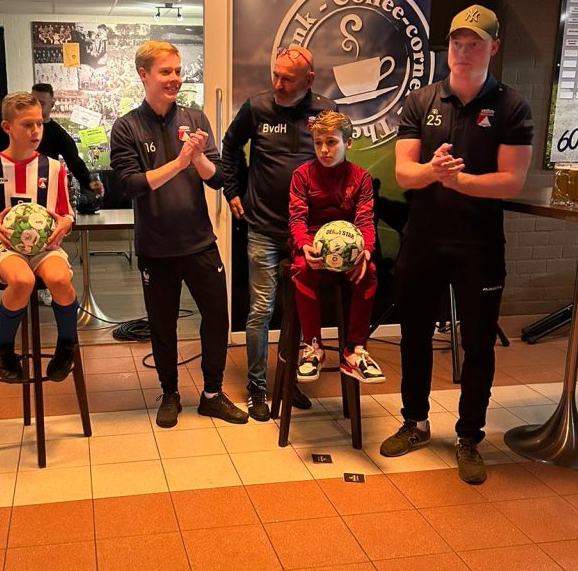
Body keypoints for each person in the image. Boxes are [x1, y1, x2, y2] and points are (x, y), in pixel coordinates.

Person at [380, 5, 533, 485]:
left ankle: (469, 437)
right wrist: (432, 171)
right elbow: (405, 173)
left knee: (478, 346)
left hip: (478, 246)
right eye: (457, 43)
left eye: (474, 44)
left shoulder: (512, 107)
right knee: (414, 336)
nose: (463, 52)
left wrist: (460, 182)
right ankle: (415, 422)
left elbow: (512, 181)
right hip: (423, 241)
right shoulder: (421, 100)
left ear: (493, 47)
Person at [110, 41, 247, 428]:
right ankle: (170, 393)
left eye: (178, 71)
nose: (175, 79)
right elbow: (132, 185)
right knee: (162, 325)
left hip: (199, 242)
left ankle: (212, 395)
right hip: (156, 248)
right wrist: (180, 161)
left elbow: (218, 179)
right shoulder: (127, 127)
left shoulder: (195, 117)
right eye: (166, 72)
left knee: (217, 317)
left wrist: (198, 156)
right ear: (144, 75)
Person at [222, 45, 334, 420]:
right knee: (260, 310)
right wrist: (233, 190)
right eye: (276, 75)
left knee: (299, 310)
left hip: (307, 232)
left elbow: (336, 161)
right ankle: (257, 387)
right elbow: (230, 147)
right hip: (263, 228)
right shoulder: (257, 107)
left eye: (288, 78)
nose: (278, 84)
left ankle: (289, 381)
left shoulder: (325, 112)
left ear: (309, 80)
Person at [0, 91, 79, 383]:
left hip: (46, 247)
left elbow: (67, 213)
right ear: (7, 127)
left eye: (39, 123)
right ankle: (4, 348)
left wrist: (64, 224)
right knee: (22, 281)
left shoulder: (54, 168)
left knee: (59, 280)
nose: (36, 131)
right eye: (27, 125)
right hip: (4, 247)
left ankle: (67, 346)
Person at [289, 110, 385, 384]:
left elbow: (365, 221)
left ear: (348, 143)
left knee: (369, 271)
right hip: (312, 246)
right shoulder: (301, 175)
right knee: (302, 269)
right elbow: (297, 219)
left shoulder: (361, 178)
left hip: (349, 249)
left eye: (331, 142)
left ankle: (355, 350)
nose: (324, 150)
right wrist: (304, 246)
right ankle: (313, 348)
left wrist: (365, 251)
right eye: (318, 142)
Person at [31, 83, 105, 305]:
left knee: (46, 240)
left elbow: (74, 161)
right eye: (33, 101)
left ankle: (45, 285)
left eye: (41, 103)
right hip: (19, 191)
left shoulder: (57, 133)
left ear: (52, 104)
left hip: (46, 194)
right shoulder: (21, 128)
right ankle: (22, 285)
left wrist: (89, 182)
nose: (37, 106)